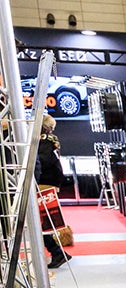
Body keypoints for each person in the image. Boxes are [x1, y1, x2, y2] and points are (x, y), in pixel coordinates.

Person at [35, 113, 70, 269]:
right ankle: (57, 251)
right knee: (44, 220)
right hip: (49, 182)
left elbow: (41, 162)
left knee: (42, 221)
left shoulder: (44, 143)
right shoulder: (51, 141)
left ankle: (57, 251)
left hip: (44, 183)